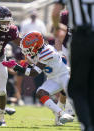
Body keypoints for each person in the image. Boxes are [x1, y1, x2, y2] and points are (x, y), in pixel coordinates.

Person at [2, 31, 74, 125]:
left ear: (36, 46)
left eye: (29, 48)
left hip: (64, 76)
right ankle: (62, 114)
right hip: (53, 79)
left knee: (73, 97)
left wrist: (16, 67)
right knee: (40, 93)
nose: (26, 50)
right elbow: (30, 65)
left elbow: (34, 73)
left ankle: (73, 114)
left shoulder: (47, 51)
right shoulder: (34, 52)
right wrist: (20, 64)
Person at [52, 1, 94, 130]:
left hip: (81, 39)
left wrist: (56, 27)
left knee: (77, 88)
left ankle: (87, 124)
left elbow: (55, 12)